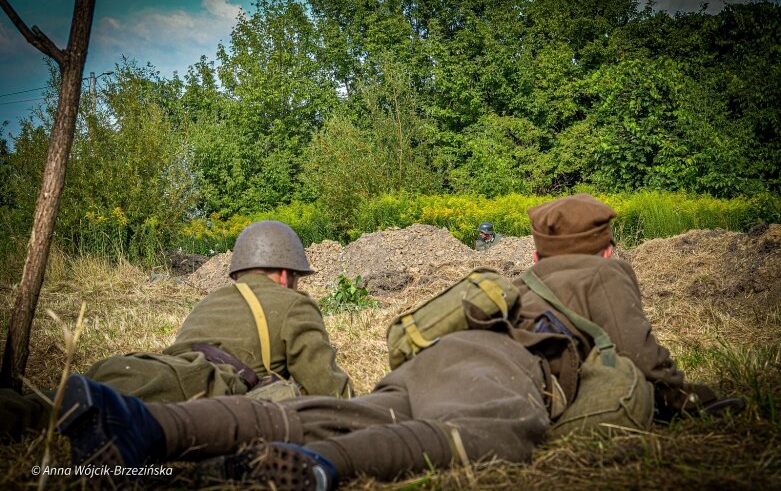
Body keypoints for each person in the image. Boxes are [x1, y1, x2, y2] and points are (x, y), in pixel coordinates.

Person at [57, 195, 740, 490]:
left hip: (434, 357)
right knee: (472, 438)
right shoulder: (604, 271)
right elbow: (646, 362)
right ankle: (319, 466)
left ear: (537, 246)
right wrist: (698, 399)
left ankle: (150, 426)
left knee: (327, 409)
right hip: (500, 368)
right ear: (604, 242)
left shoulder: (515, 277)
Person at [1, 220, 352, 440]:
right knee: (48, 414)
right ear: (285, 273)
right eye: (297, 279)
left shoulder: (212, 300)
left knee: (41, 405)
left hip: (142, 367)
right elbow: (332, 394)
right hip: (188, 387)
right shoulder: (294, 303)